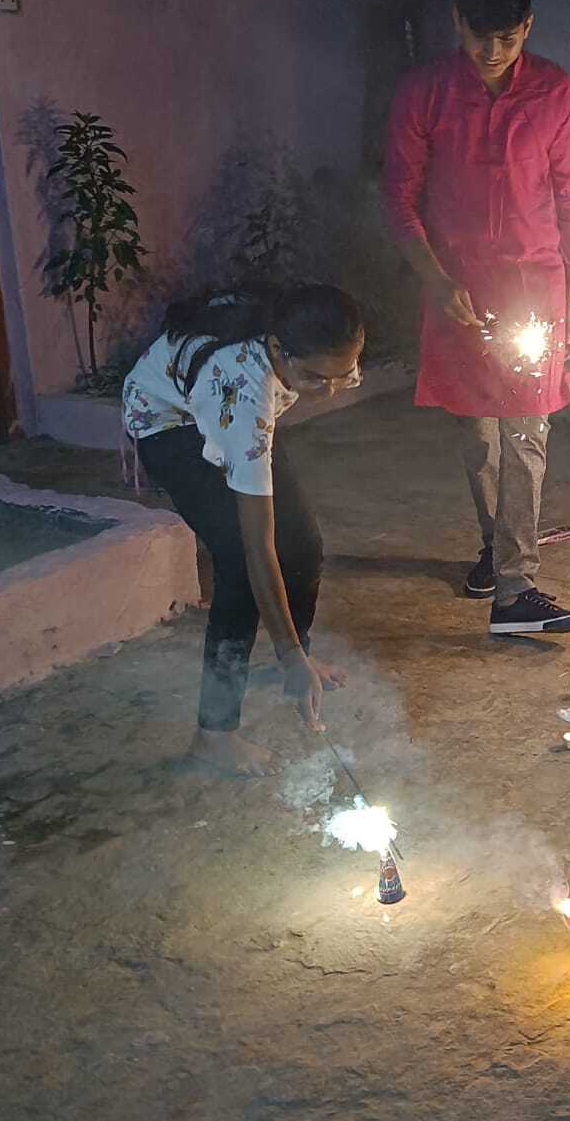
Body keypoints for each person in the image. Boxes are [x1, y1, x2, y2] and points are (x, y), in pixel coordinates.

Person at [383, 0, 570, 636]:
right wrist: (437, 281)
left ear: (528, 27)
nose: (493, 52)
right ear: (457, 23)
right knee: (477, 434)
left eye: (508, 37)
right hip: (458, 290)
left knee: (527, 432)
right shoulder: (425, 93)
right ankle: (495, 548)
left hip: (535, 287)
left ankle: (516, 588)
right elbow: (400, 200)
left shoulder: (554, 91)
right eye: (480, 37)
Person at [122, 286, 363, 776]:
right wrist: (289, 652)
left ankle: (292, 661)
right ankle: (214, 735)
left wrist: (293, 654)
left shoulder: (312, 347)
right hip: (170, 422)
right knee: (237, 562)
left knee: (303, 544)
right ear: (277, 350)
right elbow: (257, 548)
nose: (330, 390)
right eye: (315, 378)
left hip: (227, 407)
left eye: (342, 374)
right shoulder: (239, 392)